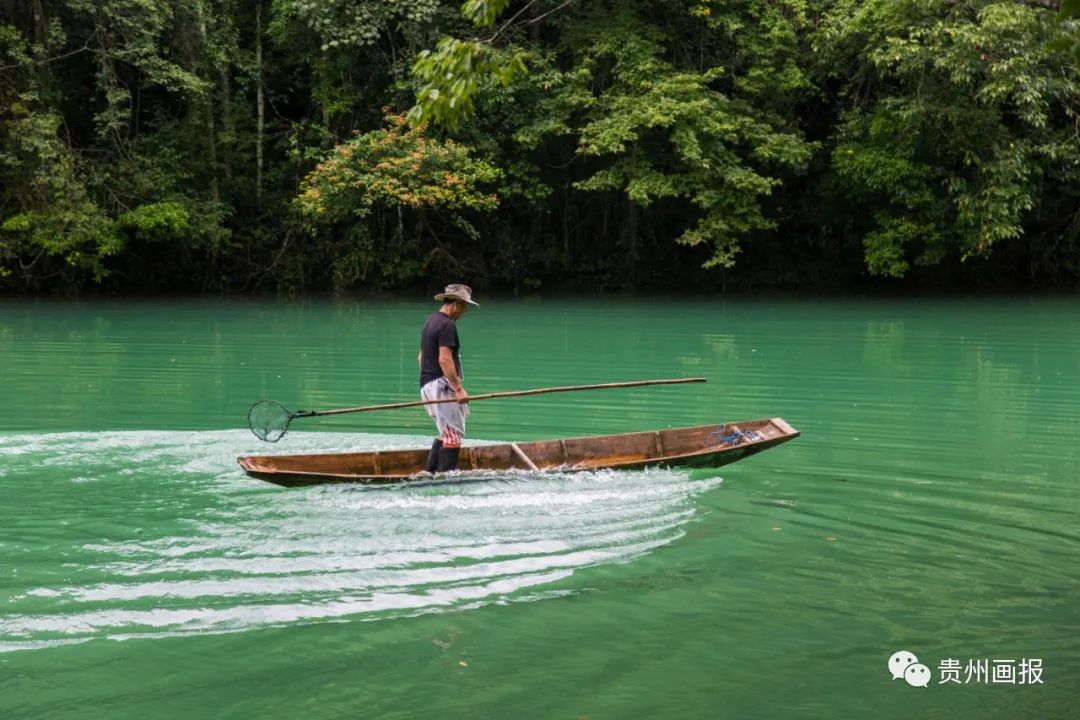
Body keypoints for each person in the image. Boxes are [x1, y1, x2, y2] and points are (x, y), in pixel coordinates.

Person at [418, 284, 478, 472]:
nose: (464, 312)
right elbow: (445, 359)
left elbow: (421, 357)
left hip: (426, 384)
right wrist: (458, 389)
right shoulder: (447, 325)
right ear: (457, 304)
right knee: (453, 435)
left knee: (446, 432)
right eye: (464, 307)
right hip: (441, 385)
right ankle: (445, 478)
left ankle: (431, 473)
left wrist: (432, 384)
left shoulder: (431, 321)